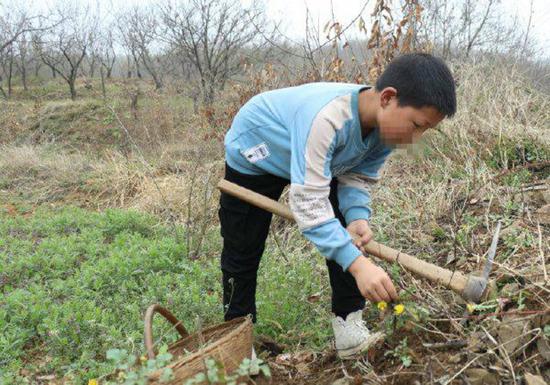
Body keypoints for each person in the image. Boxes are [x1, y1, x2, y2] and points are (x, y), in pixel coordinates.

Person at [218, 53, 456, 359]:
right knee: (243, 250)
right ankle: (238, 344)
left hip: (321, 160)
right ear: (387, 98)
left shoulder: (387, 129)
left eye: (425, 130)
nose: (416, 137)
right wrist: (359, 266)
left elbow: (358, 175)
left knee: (349, 236)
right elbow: (308, 203)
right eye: (416, 125)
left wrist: (357, 218)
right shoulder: (327, 118)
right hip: (257, 152)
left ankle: (349, 327)